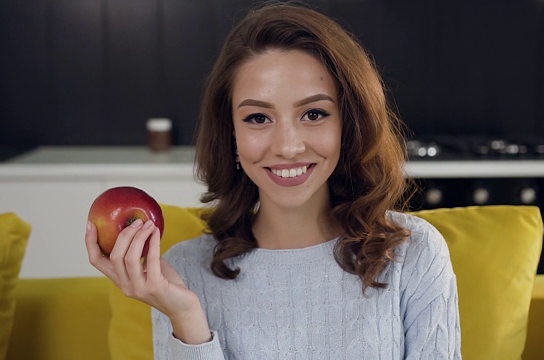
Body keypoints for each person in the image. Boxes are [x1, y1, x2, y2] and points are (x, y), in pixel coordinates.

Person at [85, 2, 462, 359]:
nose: (288, 146)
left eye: (314, 113)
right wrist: (186, 319)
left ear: (349, 124)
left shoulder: (414, 256)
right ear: (230, 133)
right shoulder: (179, 274)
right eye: (258, 119)